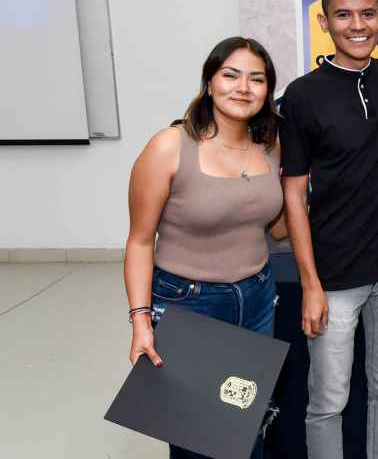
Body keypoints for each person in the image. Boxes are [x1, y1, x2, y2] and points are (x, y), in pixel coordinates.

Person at [124, 36, 285, 459]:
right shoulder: (170, 146)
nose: (243, 88)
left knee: (246, 432)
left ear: (268, 90)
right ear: (209, 81)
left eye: (257, 79)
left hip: (258, 300)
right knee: (197, 440)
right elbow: (140, 241)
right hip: (190, 306)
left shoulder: (270, 146)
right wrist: (141, 321)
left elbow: (278, 225)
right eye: (231, 75)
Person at [279, 0, 378, 459]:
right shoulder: (302, 95)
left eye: (367, 13)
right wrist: (310, 285)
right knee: (328, 404)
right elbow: (294, 194)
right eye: (344, 15)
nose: (358, 25)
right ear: (324, 22)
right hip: (333, 280)